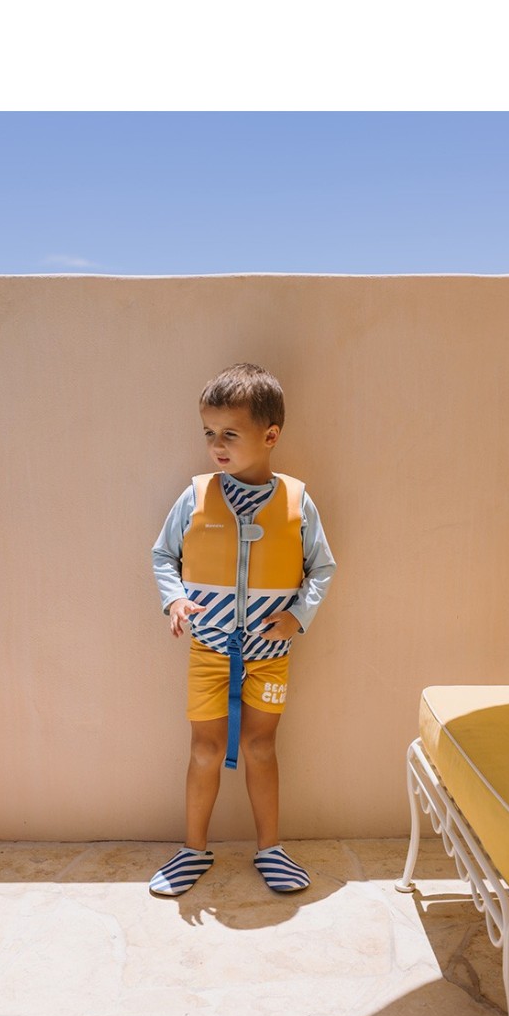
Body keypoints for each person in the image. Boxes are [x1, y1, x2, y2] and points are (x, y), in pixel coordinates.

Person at [149, 363, 336, 898]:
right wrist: (174, 599)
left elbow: (322, 568)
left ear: (270, 436)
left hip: (270, 654)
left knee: (260, 747)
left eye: (230, 433)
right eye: (209, 432)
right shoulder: (195, 497)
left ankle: (270, 850)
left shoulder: (297, 502)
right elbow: (163, 555)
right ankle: (192, 850)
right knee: (204, 751)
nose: (216, 445)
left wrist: (298, 615)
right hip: (209, 651)